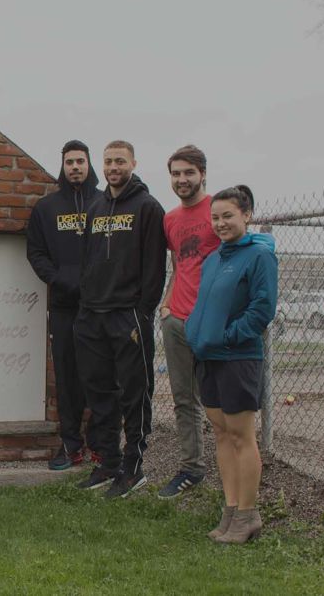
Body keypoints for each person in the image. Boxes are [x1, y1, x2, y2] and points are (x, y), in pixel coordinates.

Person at [73, 140, 167, 499]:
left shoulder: (148, 207)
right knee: (99, 392)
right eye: (109, 161)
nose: (113, 167)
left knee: (134, 393)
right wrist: (86, 300)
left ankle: (133, 467)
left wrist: (141, 311)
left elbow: (155, 267)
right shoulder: (96, 205)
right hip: (92, 314)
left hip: (127, 315)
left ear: (133, 163)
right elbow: (87, 259)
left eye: (120, 161)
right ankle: (108, 461)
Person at [186, 185, 278, 543]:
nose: (220, 223)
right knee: (222, 434)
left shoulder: (259, 256)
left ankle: (248, 515)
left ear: (247, 215)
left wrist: (226, 337)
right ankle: (230, 509)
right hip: (208, 356)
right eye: (215, 217)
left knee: (241, 436)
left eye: (228, 216)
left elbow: (262, 310)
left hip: (238, 357)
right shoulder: (214, 258)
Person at [26, 139, 103, 470]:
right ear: (63, 166)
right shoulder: (46, 208)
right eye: (70, 162)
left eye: (81, 161)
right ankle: (70, 445)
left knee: (101, 377)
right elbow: (36, 253)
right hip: (64, 307)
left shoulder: (105, 203)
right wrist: (59, 279)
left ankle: (101, 446)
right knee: (68, 380)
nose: (75, 167)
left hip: (100, 306)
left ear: (89, 165)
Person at [156, 145, 220, 499]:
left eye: (188, 173)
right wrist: (167, 304)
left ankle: (232, 468)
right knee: (184, 400)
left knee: (220, 401)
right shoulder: (170, 219)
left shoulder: (219, 210)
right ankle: (191, 468)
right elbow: (180, 263)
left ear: (203, 174)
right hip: (176, 320)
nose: (182, 179)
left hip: (210, 322)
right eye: (176, 173)